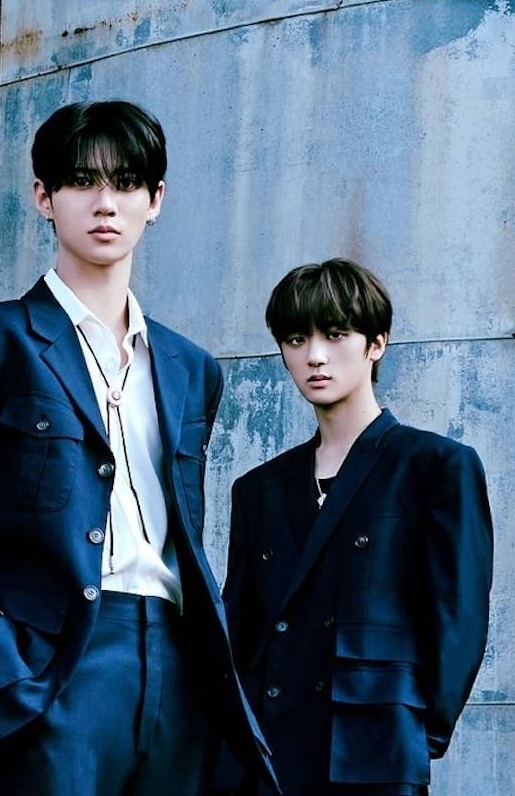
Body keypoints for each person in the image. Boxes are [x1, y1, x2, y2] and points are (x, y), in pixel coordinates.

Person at [0, 100, 275, 794]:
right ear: (44, 197)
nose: (105, 203)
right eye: (81, 181)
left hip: (179, 666)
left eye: (127, 183)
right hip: (51, 668)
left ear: (155, 201)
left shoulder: (191, 368)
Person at [211, 259, 492, 796]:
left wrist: (415, 732)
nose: (314, 356)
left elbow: (457, 618)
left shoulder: (434, 467)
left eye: (336, 335)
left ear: (376, 344)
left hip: (371, 751)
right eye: (297, 340)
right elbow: (241, 632)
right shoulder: (258, 489)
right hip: (269, 756)